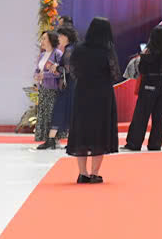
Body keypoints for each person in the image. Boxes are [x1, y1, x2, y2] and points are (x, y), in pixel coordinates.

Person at [66, 17, 120, 182]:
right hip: (102, 94)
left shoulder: (79, 49)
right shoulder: (107, 50)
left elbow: (72, 70)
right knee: (100, 131)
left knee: (81, 130)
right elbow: (115, 74)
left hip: (82, 93)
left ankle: (82, 173)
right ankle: (94, 173)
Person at [125, 27, 162, 152]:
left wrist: (142, 56)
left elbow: (142, 68)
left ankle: (134, 143)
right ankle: (155, 143)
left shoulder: (148, 52)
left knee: (141, 115)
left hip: (148, 85)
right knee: (159, 117)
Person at [33, 29, 64, 150]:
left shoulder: (57, 54)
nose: (42, 41)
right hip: (43, 89)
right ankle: (48, 139)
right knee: (44, 114)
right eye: (42, 39)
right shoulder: (42, 55)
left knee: (52, 114)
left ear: (51, 40)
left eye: (44, 38)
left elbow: (60, 72)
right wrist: (36, 75)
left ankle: (54, 139)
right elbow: (38, 69)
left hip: (53, 89)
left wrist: (44, 75)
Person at [51, 24, 78, 147]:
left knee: (63, 110)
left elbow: (68, 69)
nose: (58, 39)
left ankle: (52, 140)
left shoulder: (69, 50)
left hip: (69, 85)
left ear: (66, 37)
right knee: (70, 111)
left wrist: (56, 68)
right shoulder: (73, 48)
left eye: (60, 36)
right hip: (73, 84)